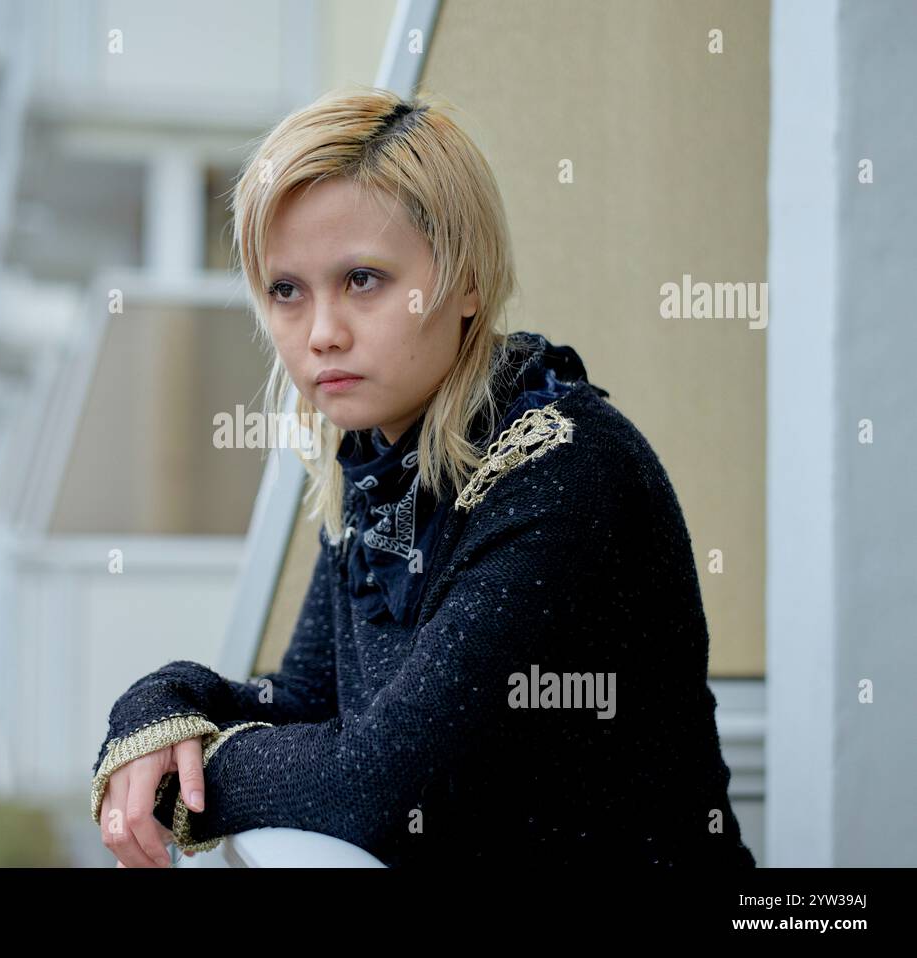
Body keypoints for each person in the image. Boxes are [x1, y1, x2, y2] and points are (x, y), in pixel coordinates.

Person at [90, 85, 758, 869]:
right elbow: (307, 701)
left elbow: (379, 791)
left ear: (467, 280)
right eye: (286, 291)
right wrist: (159, 708)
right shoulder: (379, 461)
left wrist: (193, 778)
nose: (323, 334)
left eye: (364, 279)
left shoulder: (564, 470)